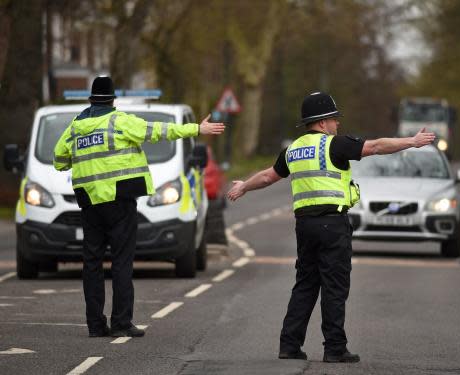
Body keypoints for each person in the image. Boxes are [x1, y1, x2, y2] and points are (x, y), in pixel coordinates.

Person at [227, 92, 435, 362]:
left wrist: (243, 186)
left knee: (305, 284)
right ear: (323, 122)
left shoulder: (292, 149)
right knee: (334, 286)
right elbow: (375, 147)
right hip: (333, 224)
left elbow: (268, 176)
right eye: (335, 119)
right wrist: (412, 141)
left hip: (305, 226)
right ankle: (334, 348)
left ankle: (289, 345)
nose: (338, 124)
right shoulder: (334, 145)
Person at [53, 76, 225, 338]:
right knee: (122, 261)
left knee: (92, 263)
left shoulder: (75, 127)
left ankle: (95, 325)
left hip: (90, 204)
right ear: (112, 99)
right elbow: (158, 131)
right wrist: (195, 129)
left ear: (91, 99)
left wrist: (78, 162)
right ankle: (121, 322)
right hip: (119, 203)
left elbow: (58, 159)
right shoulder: (119, 121)